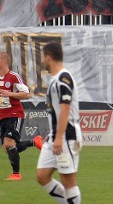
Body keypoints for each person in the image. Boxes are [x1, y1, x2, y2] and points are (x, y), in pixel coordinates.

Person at [36, 42, 82, 203]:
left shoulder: (64, 78)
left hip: (67, 136)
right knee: (42, 176)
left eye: (43, 57)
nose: (42, 61)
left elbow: (65, 108)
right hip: (55, 136)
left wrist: (59, 138)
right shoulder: (55, 80)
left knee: (68, 180)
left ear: (48, 57)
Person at [0, 51, 43, 180]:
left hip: (14, 114)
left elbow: (26, 93)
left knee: (8, 144)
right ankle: (34, 142)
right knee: (9, 147)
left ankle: (16, 174)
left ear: (3, 61)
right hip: (2, 116)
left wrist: (10, 94)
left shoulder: (13, 77)